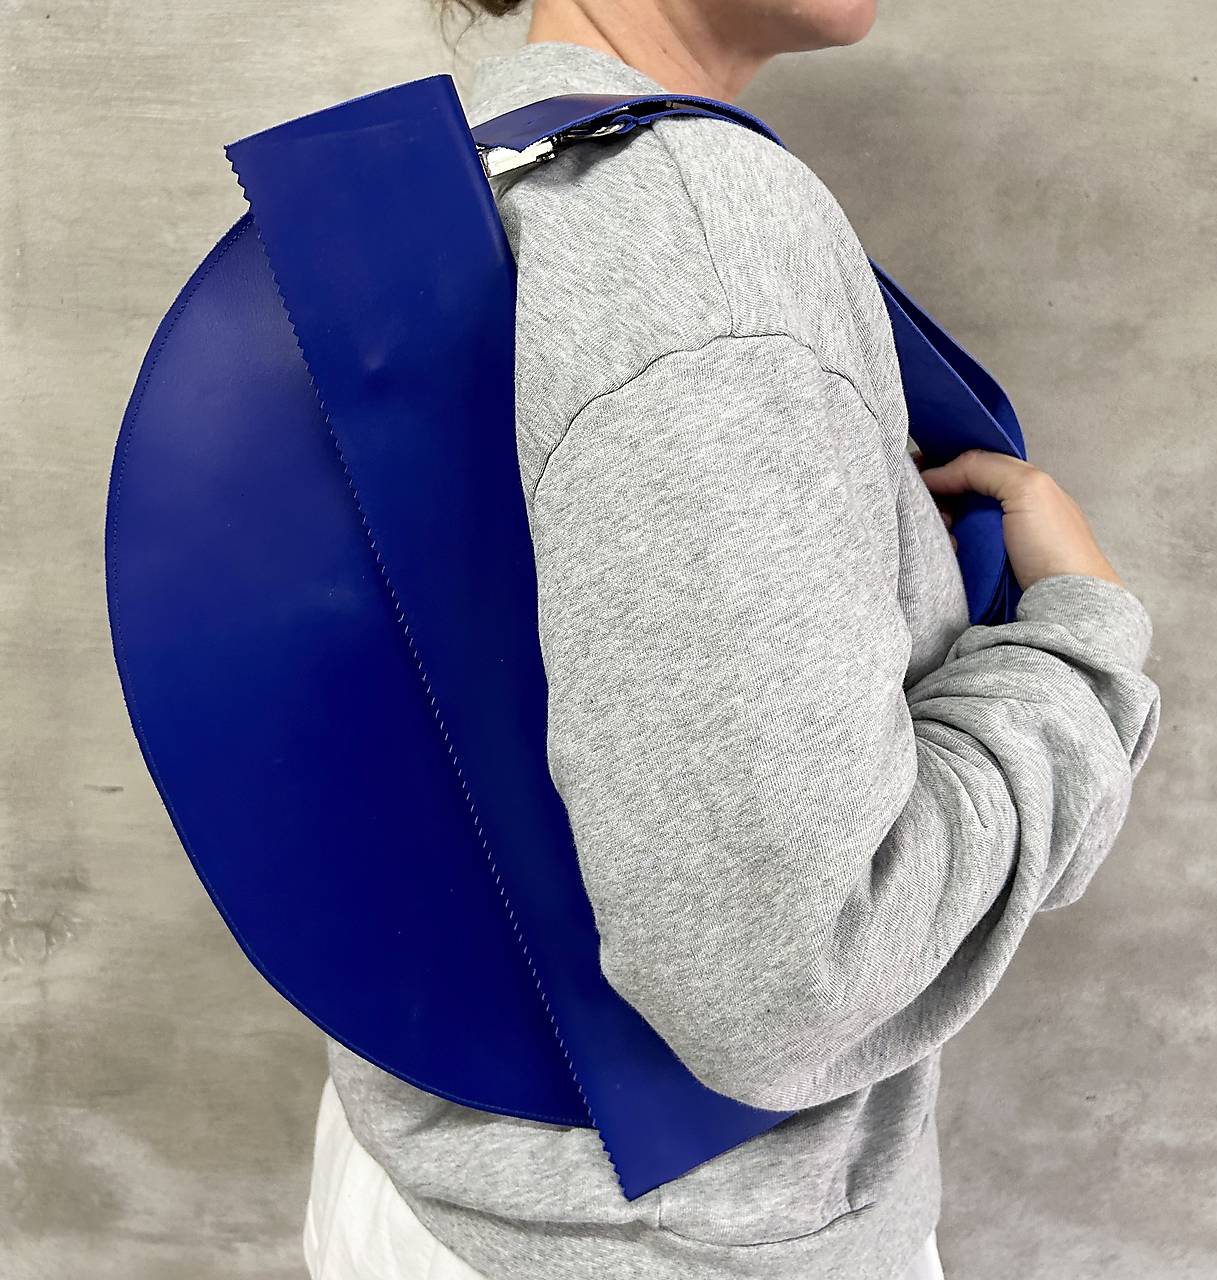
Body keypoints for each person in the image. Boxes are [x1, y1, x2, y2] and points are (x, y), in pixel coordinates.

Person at [302, 2, 1163, 1278]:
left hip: (438, 1172)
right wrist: (1078, 653)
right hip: (686, 1236)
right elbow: (785, 982)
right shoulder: (699, 223)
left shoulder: (450, 178)